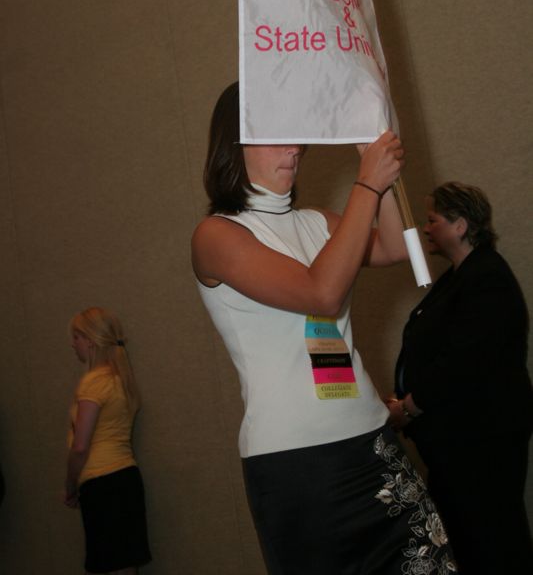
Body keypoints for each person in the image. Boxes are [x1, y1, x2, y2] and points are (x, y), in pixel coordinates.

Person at [192, 82, 456, 575]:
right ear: (235, 143)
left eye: (296, 134)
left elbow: (399, 248)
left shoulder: (319, 222)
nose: (295, 147)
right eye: (275, 135)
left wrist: (373, 155)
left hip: (372, 443)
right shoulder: (217, 236)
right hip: (298, 466)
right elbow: (321, 292)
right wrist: (367, 185)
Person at [387, 181, 533, 574]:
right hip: (461, 441)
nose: (426, 228)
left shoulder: (486, 278)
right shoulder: (461, 276)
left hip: (480, 441)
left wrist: (410, 406)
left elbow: (462, 362)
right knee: (469, 542)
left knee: (491, 541)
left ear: (460, 225)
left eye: (433, 220)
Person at [64, 307, 151, 575]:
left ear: (90, 341)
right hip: (126, 480)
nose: (73, 344)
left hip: (102, 486)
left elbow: (80, 446)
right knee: (125, 565)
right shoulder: (121, 380)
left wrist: (70, 486)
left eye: (77, 337)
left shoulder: (93, 383)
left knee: (107, 566)